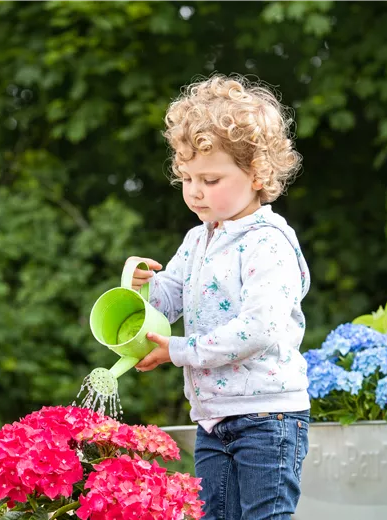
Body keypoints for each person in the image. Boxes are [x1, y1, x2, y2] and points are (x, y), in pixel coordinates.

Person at [129, 74, 311, 519]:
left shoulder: (268, 243)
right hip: (213, 417)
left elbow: (258, 331)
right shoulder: (197, 239)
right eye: (187, 178)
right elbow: (171, 299)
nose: (194, 191)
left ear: (256, 173)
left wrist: (179, 351)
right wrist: (140, 288)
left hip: (268, 418)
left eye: (210, 179)